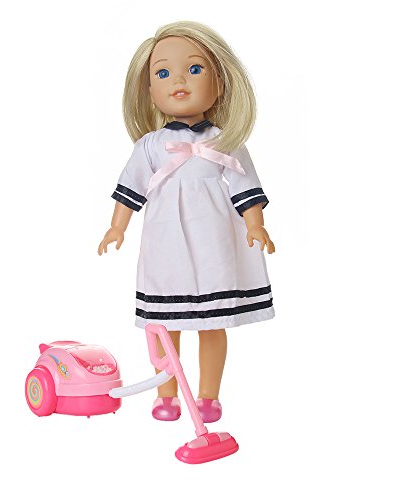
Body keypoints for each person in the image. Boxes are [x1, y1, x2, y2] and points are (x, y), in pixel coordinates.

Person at [98, 21, 275, 423]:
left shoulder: (226, 141)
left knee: (212, 322)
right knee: (164, 323)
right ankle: (167, 394)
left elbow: (247, 188)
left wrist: (255, 224)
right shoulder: (150, 145)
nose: (179, 80)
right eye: (163, 73)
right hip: (166, 244)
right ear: (149, 91)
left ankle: (209, 395)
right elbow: (130, 188)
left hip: (214, 241)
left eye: (195, 69)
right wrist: (117, 226)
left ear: (220, 83)